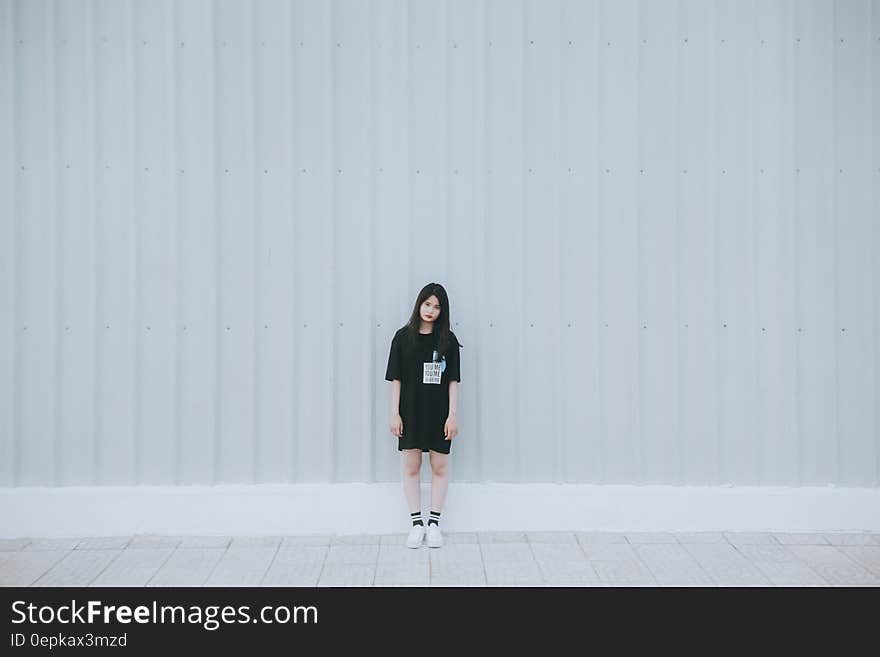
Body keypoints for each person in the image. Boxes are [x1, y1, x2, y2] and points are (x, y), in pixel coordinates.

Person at [384, 283, 462, 548]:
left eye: (437, 306)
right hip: (411, 413)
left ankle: (434, 524)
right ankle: (416, 524)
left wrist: (452, 415)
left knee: (439, 467)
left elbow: (453, 380)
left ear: (443, 311)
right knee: (412, 467)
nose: (431, 310)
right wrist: (394, 413)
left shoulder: (448, 341)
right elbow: (396, 379)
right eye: (427, 304)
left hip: (439, 413)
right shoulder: (402, 337)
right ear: (419, 304)